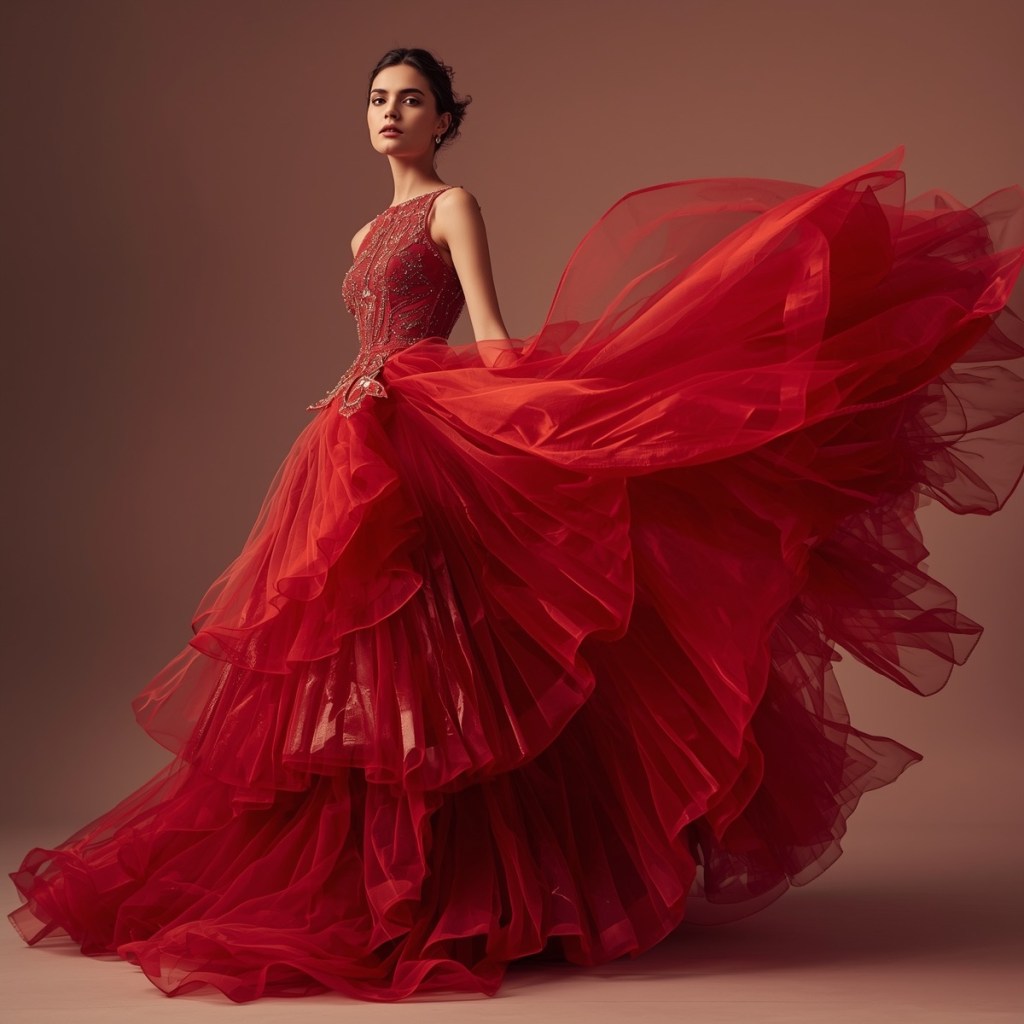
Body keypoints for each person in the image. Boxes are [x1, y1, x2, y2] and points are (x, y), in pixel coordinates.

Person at [7, 46, 1024, 1004]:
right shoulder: (362, 235)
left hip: (427, 434)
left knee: (453, 661)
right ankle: (394, 880)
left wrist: (553, 409)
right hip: (348, 442)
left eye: (411, 99)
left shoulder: (453, 206)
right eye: (378, 99)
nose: (391, 113)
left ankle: (483, 888)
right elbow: (369, 336)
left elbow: (484, 333)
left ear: (444, 119)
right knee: (364, 663)